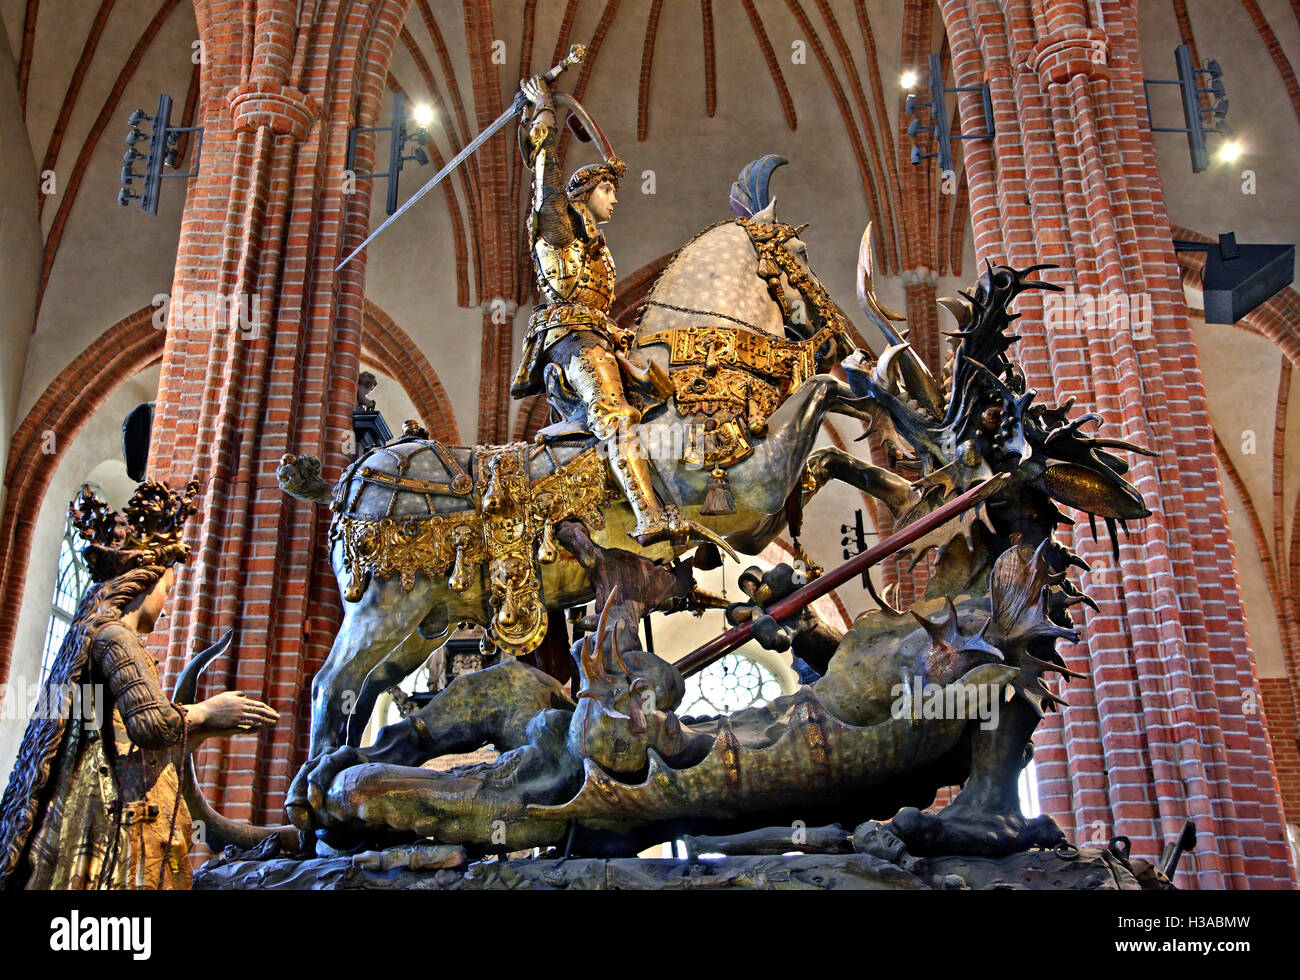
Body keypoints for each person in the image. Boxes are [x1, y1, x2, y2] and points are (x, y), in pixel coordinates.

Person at [0, 481, 278, 889]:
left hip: (94, 805)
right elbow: (152, 726)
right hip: (110, 819)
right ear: (147, 582)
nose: (165, 607)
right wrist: (208, 710)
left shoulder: (91, 633)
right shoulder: (116, 637)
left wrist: (208, 727)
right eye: (166, 589)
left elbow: (127, 738)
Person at [510, 72, 686, 546]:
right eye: (609, 191)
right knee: (615, 415)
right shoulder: (560, 226)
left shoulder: (594, 240)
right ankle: (649, 516)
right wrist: (544, 113)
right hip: (571, 340)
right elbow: (545, 184)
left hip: (597, 336)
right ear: (586, 192)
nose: (615, 199)